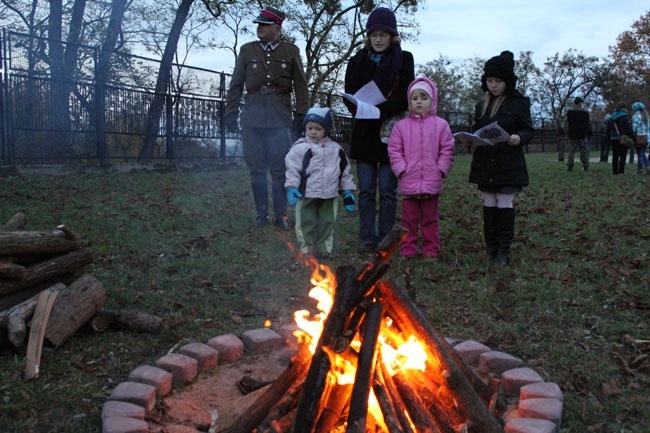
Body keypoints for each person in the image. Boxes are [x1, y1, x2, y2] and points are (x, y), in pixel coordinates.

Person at [224, 7, 310, 228]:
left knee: (280, 169)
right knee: (256, 170)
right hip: (252, 118)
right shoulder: (247, 51)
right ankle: (261, 214)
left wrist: (302, 114)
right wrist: (231, 112)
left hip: (279, 119)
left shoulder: (290, 52)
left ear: (277, 28)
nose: (259, 28)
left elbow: (301, 85)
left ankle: (280, 215)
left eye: (264, 25)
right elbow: (236, 84)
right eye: (258, 25)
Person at [343, 7, 415, 253]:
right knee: (366, 190)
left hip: (389, 132)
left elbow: (407, 93)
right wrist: (360, 108)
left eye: (384, 34)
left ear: (392, 36)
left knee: (387, 189)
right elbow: (349, 93)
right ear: (368, 36)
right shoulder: (356, 60)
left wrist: (380, 110)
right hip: (364, 132)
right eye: (374, 34)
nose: (379, 39)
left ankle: (385, 238)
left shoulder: (404, 59)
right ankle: (367, 238)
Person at [465, 51, 534, 265]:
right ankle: (491, 245)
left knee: (504, 202)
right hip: (485, 161)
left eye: (498, 81)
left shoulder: (518, 103)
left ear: (507, 82)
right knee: (488, 202)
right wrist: (470, 140)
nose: (494, 85)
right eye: (490, 80)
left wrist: (518, 138)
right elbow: (477, 130)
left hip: (508, 162)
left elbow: (528, 129)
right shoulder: (481, 105)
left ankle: (504, 249)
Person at [388, 77, 455, 260]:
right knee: (408, 220)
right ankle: (408, 249)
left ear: (432, 101)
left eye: (424, 97)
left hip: (432, 181)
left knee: (430, 219)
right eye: (415, 98)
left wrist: (441, 169)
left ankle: (430, 249)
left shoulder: (441, 125)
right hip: (409, 180)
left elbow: (447, 149)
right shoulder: (401, 127)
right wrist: (401, 169)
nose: (419, 101)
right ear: (409, 102)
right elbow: (394, 150)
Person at [285, 107, 356, 259]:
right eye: (310, 128)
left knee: (327, 222)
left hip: (330, 194)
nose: (313, 132)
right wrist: (291, 187)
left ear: (326, 129)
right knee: (305, 222)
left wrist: (347, 191)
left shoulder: (336, 149)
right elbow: (292, 169)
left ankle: (325, 248)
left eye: (318, 128)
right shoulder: (300, 148)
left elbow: (344, 172)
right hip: (306, 193)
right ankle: (307, 250)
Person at [606, 102, 634, 175]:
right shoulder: (625, 117)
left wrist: (608, 139)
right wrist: (632, 136)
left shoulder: (611, 117)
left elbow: (608, 129)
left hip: (613, 138)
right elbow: (629, 128)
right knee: (623, 155)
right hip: (623, 138)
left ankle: (615, 171)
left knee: (615, 155)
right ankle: (621, 171)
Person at [565, 96, 590, 172]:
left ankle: (570, 166)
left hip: (572, 134)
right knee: (584, 150)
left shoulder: (569, 112)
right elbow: (587, 123)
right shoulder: (585, 112)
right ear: (580, 103)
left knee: (571, 151)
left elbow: (567, 123)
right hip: (582, 134)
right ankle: (585, 165)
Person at [631, 102, 650, 174]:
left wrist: (632, 135)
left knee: (639, 153)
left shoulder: (636, 116)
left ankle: (640, 169)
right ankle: (648, 166)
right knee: (643, 153)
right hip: (646, 137)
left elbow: (634, 128)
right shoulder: (646, 116)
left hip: (639, 136)